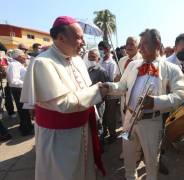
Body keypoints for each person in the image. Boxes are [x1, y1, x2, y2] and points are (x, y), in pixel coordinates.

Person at [20, 16, 107, 180]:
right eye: (79, 37)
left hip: (83, 130)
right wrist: (100, 91)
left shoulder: (78, 60)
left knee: (85, 171)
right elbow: (63, 104)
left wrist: (94, 114)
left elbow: (85, 90)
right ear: (61, 38)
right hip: (59, 138)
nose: (83, 42)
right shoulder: (43, 63)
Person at [103, 28, 184, 180]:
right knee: (129, 159)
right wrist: (108, 87)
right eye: (140, 44)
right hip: (129, 118)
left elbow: (181, 95)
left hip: (152, 122)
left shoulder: (172, 69)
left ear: (157, 45)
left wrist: (155, 102)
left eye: (145, 44)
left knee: (151, 162)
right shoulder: (132, 65)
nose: (140, 48)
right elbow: (122, 86)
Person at [7, 49, 34, 136]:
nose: (25, 57)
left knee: (23, 110)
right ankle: (26, 130)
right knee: (23, 110)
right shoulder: (14, 65)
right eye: (23, 56)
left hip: (19, 89)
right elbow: (13, 81)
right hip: (19, 89)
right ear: (19, 57)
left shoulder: (17, 64)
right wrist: (27, 84)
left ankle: (24, 126)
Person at [98, 41, 120, 142]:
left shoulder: (112, 63)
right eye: (99, 49)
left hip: (111, 94)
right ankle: (105, 132)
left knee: (110, 115)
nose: (100, 51)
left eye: (101, 49)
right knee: (103, 115)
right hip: (102, 93)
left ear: (107, 50)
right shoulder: (100, 61)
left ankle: (113, 135)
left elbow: (111, 79)